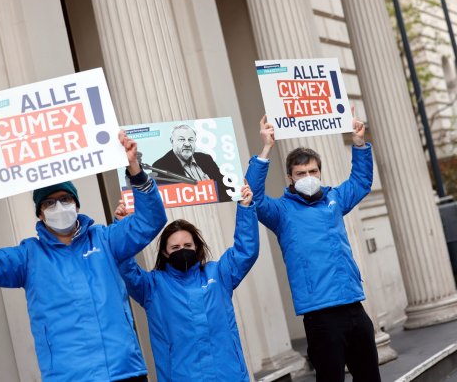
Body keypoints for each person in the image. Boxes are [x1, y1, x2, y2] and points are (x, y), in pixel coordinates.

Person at [0, 131, 167, 382]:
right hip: (69, 376)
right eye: (49, 203)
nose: (59, 207)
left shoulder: (105, 240)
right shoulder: (28, 257)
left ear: (76, 205)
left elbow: (150, 220)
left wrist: (135, 169)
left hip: (125, 370)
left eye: (65, 199)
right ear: (40, 214)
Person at [245, 111, 380, 382]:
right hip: (320, 315)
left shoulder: (335, 199)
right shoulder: (281, 212)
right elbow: (254, 197)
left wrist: (359, 143)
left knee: (370, 378)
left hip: (354, 305)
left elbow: (361, 182)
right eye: (301, 173)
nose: (308, 176)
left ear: (320, 172)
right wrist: (266, 147)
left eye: (313, 171)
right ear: (290, 178)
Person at [114, 184, 258, 382]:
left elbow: (245, 252)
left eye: (187, 245)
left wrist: (245, 209)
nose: (182, 250)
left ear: (196, 247)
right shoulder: (152, 286)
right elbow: (126, 268)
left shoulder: (218, 274)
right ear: (164, 252)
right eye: (175, 247)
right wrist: (123, 228)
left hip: (229, 375)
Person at [151, 124, 231, 201]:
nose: (187, 144)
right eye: (182, 139)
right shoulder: (160, 166)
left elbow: (227, 186)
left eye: (190, 139)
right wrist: (207, 188)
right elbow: (172, 199)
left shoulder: (206, 158)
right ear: (172, 141)